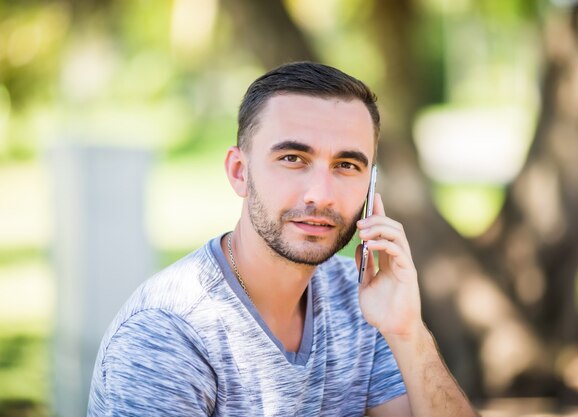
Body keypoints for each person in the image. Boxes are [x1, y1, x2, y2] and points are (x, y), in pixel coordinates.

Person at [87, 62, 477, 417]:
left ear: (371, 185)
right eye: (293, 159)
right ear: (240, 172)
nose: (320, 194)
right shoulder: (167, 335)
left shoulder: (362, 299)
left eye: (346, 165)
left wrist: (407, 331)